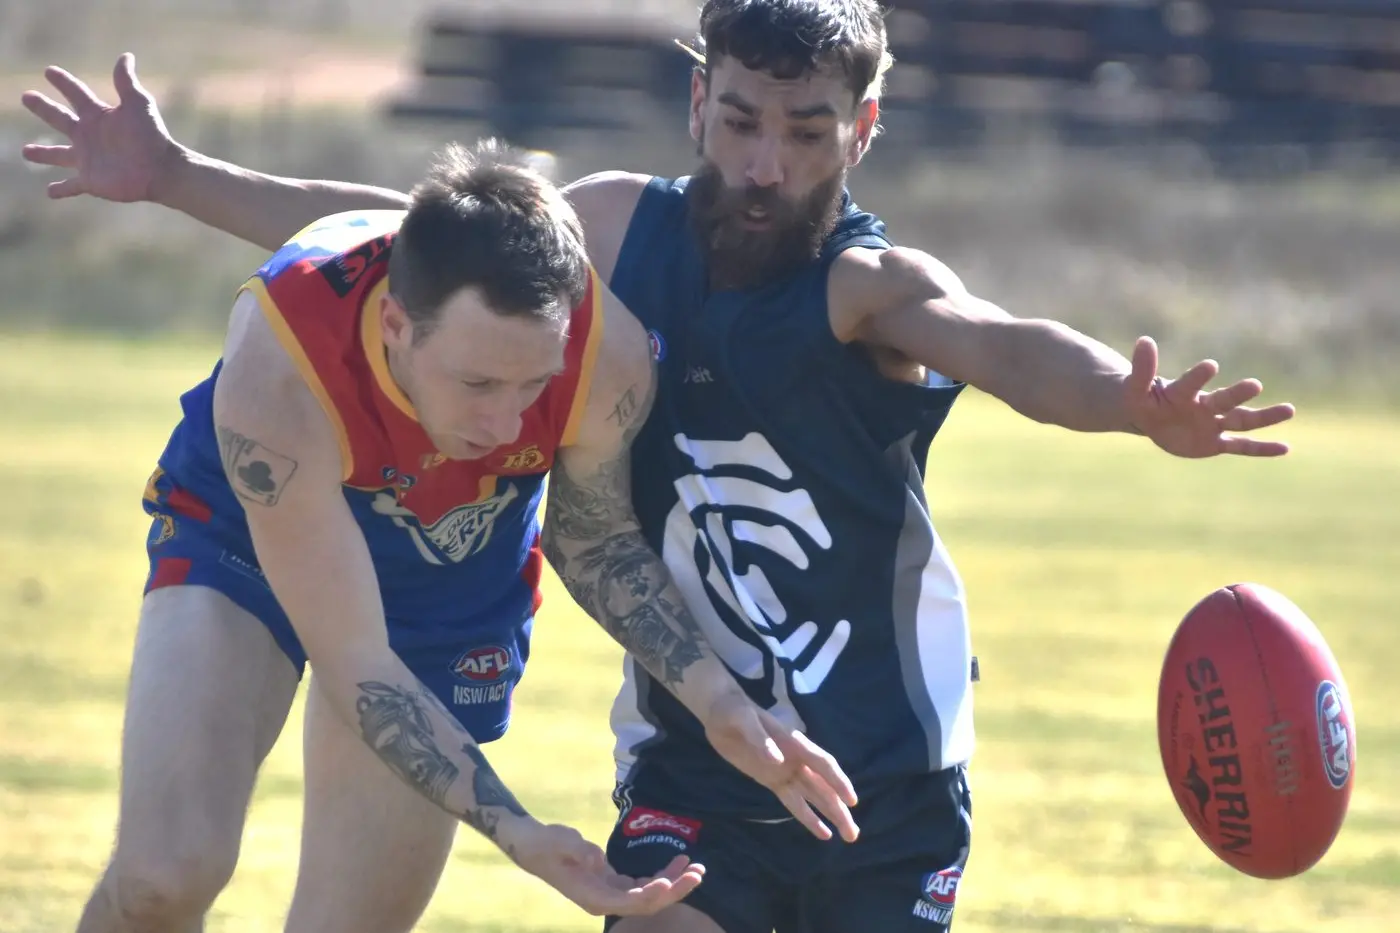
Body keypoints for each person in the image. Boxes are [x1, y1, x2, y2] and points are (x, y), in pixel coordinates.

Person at [21, 3, 1295, 930]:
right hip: (331, 563)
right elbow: (407, 233)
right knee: (164, 878)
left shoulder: (751, 305)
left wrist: (1121, 402)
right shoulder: (579, 245)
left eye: (802, 132)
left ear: (859, 133)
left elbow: (995, 342)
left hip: (558, 617)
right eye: (739, 121)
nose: (762, 163)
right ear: (698, 105)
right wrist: (181, 177)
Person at [14, 131, 863, 933]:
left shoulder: (608, 357)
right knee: (168, 872)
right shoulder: (284, 358)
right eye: (477, 381)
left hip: (448, 571)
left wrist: (719, 702)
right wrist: (518, 829)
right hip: (251, 539)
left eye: (532, 382)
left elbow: (595, 542)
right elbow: (359, 665)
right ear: (394, 327)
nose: (506, 421)